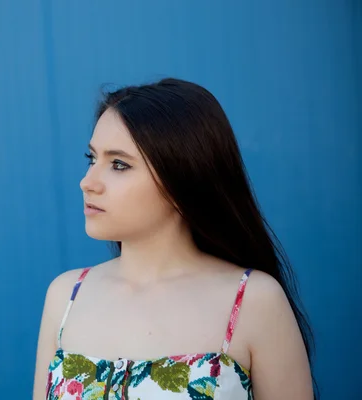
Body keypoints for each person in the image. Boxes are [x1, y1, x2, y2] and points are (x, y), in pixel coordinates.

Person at [32, 78, 316, 400]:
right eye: (91, 159)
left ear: (183, 178)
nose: (88, 182)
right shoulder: (66, 297)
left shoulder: (253, 301)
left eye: (119, 165)